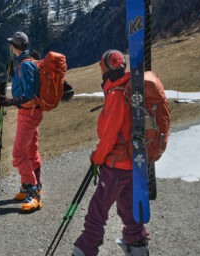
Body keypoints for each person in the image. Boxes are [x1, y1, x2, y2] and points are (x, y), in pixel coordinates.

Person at [72, 49, 149, 256]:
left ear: (105, 69)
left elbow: (108, 138)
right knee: (128, 209)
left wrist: (96, 158)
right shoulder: (130, 89)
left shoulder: (116, 95)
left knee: (97, 212)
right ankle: (139, 248)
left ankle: (84, 250)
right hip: (132, 164)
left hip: (116, 166)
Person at [0, 31, 43, 212]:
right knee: (31, 150)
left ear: (14, 47)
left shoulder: (25, 65)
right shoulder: (29, 62)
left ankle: (33, 193)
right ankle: (30, 186)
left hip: (28, 113)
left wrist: (9, 101)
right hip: (32, 112)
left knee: (18, 153)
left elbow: (29, 94)